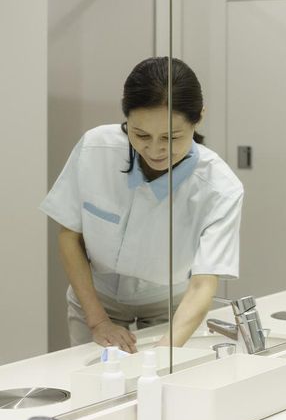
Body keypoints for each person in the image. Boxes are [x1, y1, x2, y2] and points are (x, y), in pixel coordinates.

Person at [41, 57, 243, 353]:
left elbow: (203, 284)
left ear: (198, 118)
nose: (155, 149)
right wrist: (98, 321)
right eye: (141, 135)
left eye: (171, 137)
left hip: (171, 304)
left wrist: (162, 357)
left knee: (162, 374)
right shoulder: (96, 148)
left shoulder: (220, 187)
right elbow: (69, 236)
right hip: (96, 297)